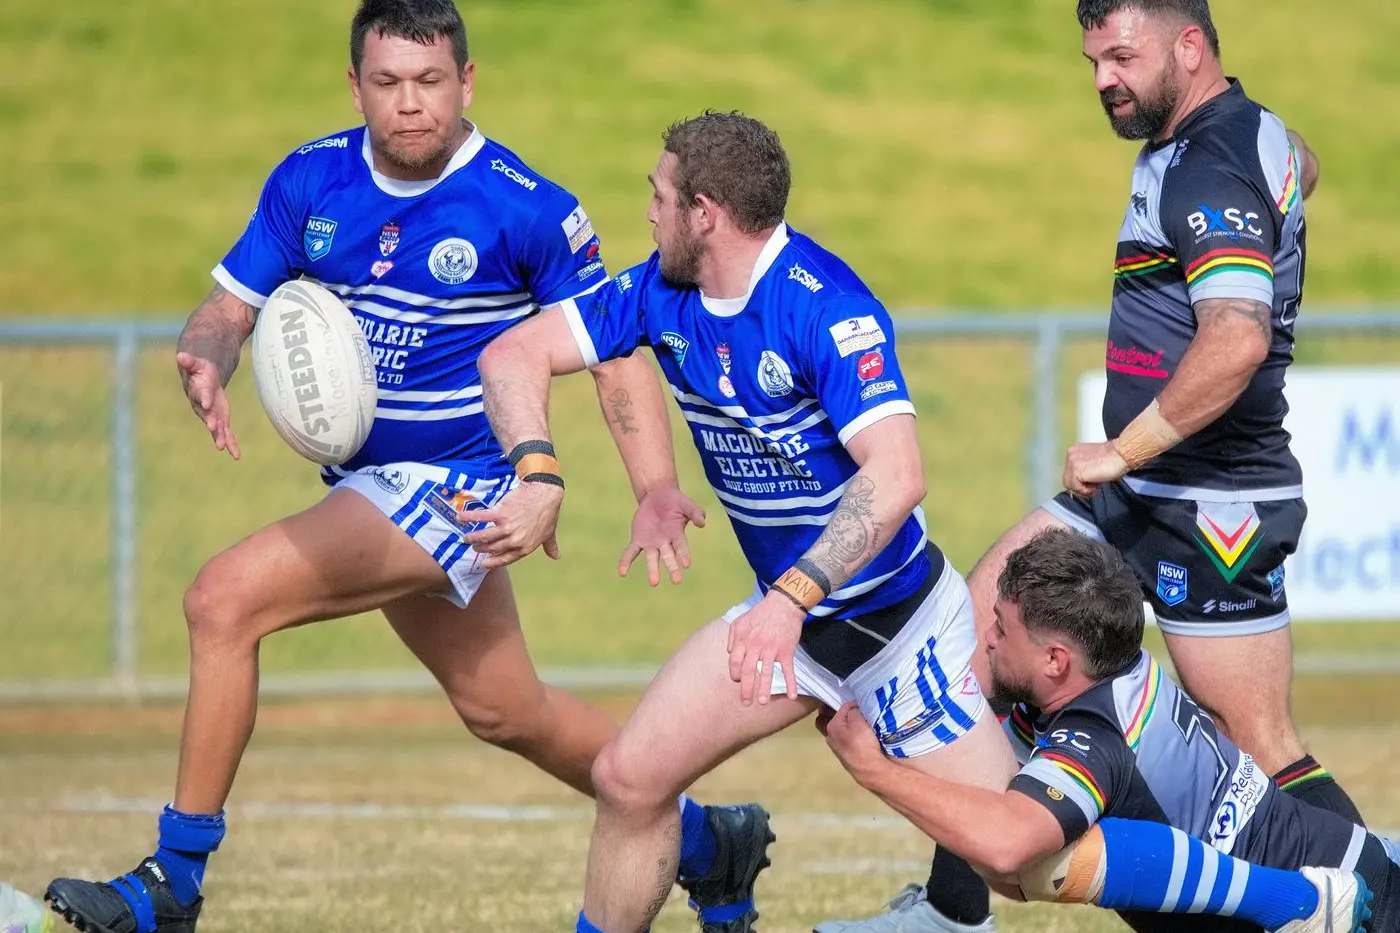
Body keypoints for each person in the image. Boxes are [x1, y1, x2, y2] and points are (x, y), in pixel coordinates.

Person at [42, 5, 763, 933]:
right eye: (387, 84)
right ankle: (711, 843)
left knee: (221, 601)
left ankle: (173, 880)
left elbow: (614, 348)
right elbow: (228, 306)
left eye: (430, 81)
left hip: (459, 488)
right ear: (356, 86)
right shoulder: (311, 179)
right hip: (368, 488)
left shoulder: (527, 207)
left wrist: (654, 486)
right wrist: (205, 354)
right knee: (507, 711)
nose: (410, 103)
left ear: (468, 80)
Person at [820, 2, 1342, 930]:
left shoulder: (1208, 163)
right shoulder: (1239, 136)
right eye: (1094, 58)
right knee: (971, 640)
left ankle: (1363, 890)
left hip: (1205, 500)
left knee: (1256, 747)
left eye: (1123, 57)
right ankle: (952, 909)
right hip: (1129, 494)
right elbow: (1298, 160)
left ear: (1191, 47)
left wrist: (1123, 446)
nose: (1104, 77)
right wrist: (1282, 163)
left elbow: (1236, 337)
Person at [469, 110, 1021, 933]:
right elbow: (510, 354)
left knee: (1027, 863)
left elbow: (898, 473)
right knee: (629, 777)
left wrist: (790, 597)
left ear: (706, 212)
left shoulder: (823, 307)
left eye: (658, 195)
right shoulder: (660, 291)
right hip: (788, 626)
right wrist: (541, 474)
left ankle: (1248, 883)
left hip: (893, 628)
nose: (647, 212)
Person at [822, 529, 1391, 933]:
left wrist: (876, 770)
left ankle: (1289, 904)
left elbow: (1005, 844)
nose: (987, 639)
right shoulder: (1111, 670)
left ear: (1054, 659)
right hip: (1365, 869)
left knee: (1037, 860)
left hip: (1364, 908)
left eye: (1000, 626)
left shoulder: (1097, 734)